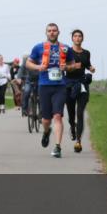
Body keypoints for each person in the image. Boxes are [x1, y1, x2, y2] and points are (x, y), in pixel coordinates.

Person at [25, 23, 69, 158]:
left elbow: (73, 65)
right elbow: (28, 63)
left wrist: (66, 67)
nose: (52, 33)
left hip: (60, 86)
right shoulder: (39, 47)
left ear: (58, 32)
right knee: (46, 119)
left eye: (54, 30)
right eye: (49, 31)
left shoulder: (65, 48)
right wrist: (38, 67)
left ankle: (57, 147)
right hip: (44, 85)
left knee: (58, 116)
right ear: (46, 33)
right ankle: (46, 132)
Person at [64, 29, 96, 154]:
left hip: (82, 84)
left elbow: (87, 64)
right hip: (69, 84)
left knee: (80, 113)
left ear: (82, 38)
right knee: (71, 115)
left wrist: (91, 68)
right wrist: (72, 67)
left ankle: (78, 142)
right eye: (75, 36)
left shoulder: (87, 53)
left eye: (80, 36)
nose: (77, 38)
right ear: (72, 38)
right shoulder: (67, 51)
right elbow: (62, 66)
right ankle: (72, 126)